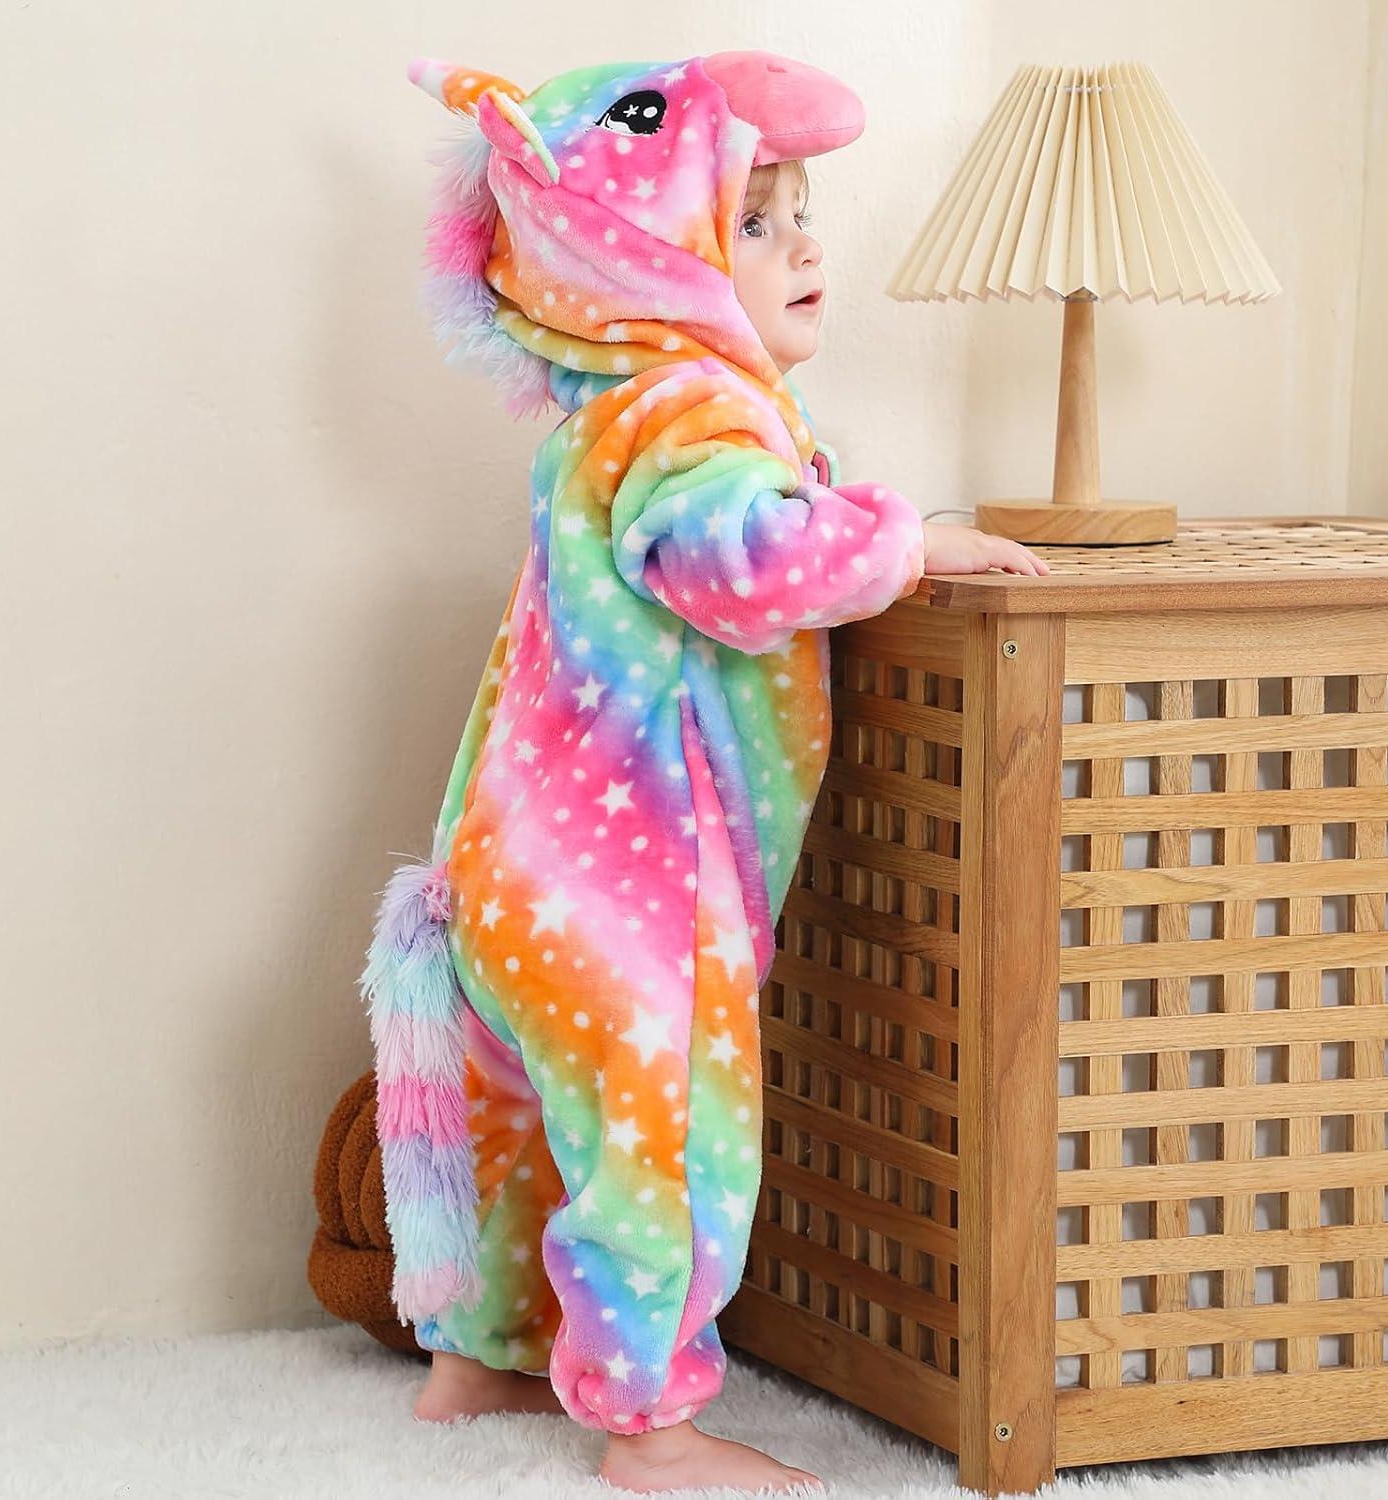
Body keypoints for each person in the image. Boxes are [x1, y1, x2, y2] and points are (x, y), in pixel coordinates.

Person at [364, 51, 1048, 1497]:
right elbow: (738, 561)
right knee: (665, 1147)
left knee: (532, 1131)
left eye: (804, 217)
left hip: (516, 868)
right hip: (637, 893)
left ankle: (478, 1357)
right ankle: (650, 1427)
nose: (805, 248)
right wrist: (906, 539)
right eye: (753, 220)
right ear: (641, 257)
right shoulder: (694, 412)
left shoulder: (611, 411)